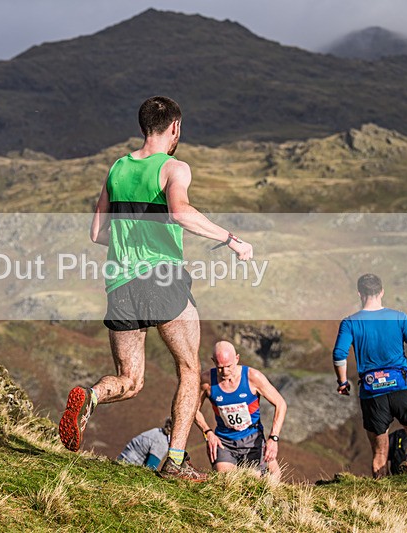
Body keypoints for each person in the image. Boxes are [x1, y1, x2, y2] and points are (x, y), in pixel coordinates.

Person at [58, 96, 253, 481]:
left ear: (143, 125)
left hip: (121, 283)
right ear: (175, 128)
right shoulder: (174, 167)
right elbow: (180, 212)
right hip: (161, 278)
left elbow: (97, 233)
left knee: (130, 381)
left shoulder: (116, 168)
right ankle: (176, 462)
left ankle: (92, 396)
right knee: (189, 369)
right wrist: (231, 239)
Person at [333, 273, 407, 478]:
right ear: (382, 291)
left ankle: (382, 497)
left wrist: (342, 382)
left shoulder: (350, 323)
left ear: (360, 293)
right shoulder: (399, 317)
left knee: (379, 452)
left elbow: (339, 355)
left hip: (372, 392)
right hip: (402, 387)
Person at [195, 341, 286, 480]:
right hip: (224, 441)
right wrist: (207, 432)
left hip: (252, 438)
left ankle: (270, 467)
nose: (225, 372)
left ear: (237, 358)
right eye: (220, 367)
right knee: (226, 481)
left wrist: (274, 438)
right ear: (213, 361)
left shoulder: (252, 377)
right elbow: (192, 410)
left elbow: (280, 403)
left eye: (229, 366)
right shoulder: (207, 381)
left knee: (254, 483)